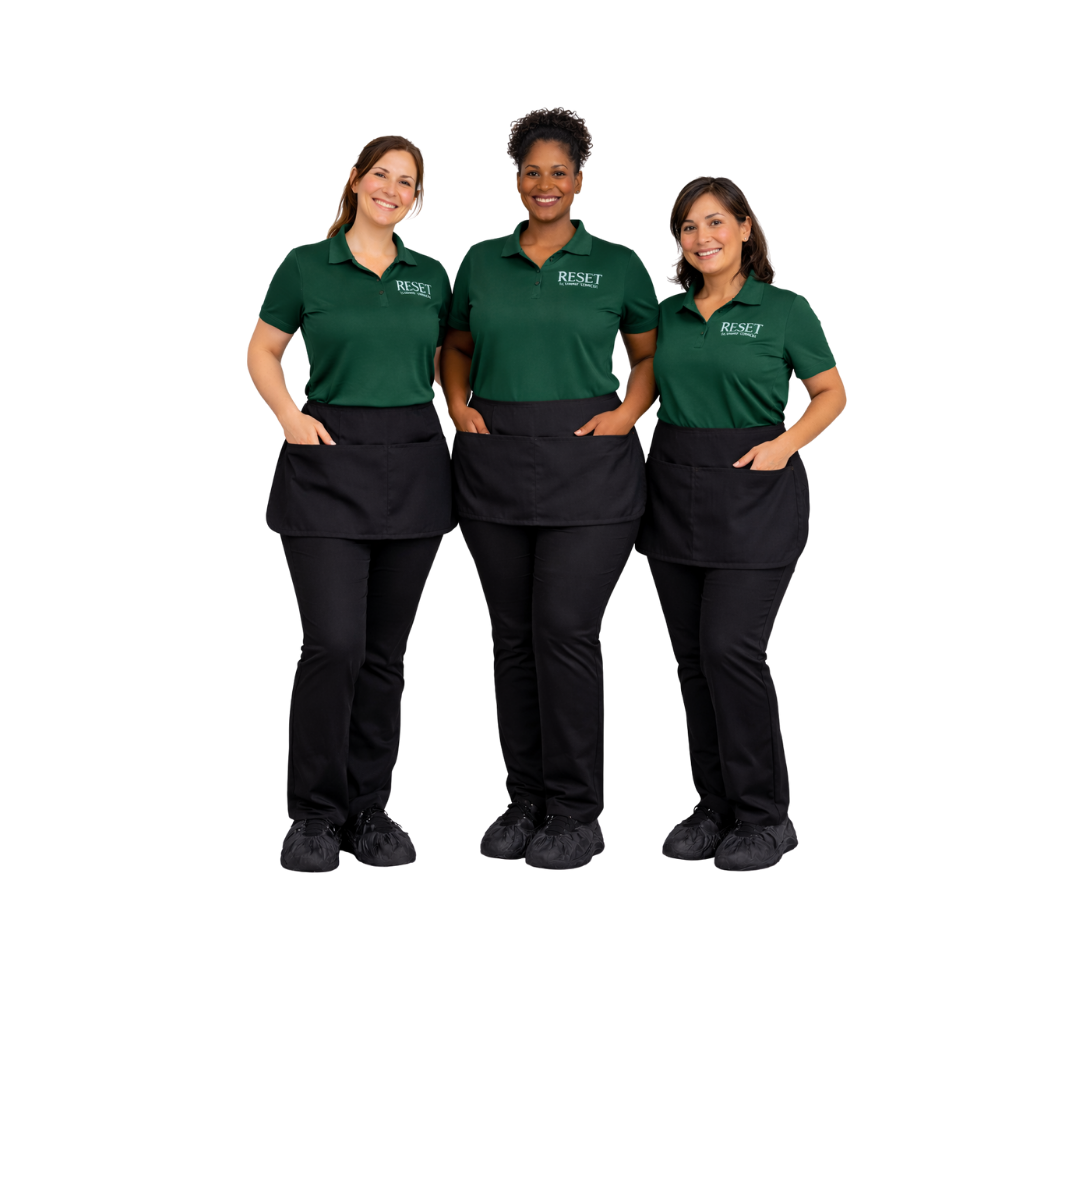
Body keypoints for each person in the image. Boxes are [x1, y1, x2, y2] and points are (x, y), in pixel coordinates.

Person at [440, 108, 659, 871]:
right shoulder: (479, 261)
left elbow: (646, 354)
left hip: (589, 473)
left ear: (579, 179)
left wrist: (628, 413)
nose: (544, 184)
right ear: (515, 176)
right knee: (510, 639)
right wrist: (459, 404)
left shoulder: (618, 264)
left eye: (558, 172)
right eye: (531, 171)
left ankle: (576, 811)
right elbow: (457, 344)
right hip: (492, 466)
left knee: (563, 630)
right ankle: (525, 798)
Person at [247, 135, 453, 873]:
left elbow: (446, 363)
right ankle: (312, 816)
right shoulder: (306, 264)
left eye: (408, 183)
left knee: (382, 655)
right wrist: (290, 415)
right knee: (332, 644)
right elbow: (261, 349)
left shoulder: (431, 278)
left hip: (413, 469)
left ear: (417, 202)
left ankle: (370, 810)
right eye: (382, 176)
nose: (393, 190)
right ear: (355, 181)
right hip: (327, 463)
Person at [636, 176, 847, 872]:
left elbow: (830, 393)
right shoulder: (665, 314)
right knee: (694, 663)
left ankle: (766, 817)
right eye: (689, 227)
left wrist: (784, 446)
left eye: (716, 223)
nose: (703, 238)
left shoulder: (783, 308)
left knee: (731, 650)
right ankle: (713, 807)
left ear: (745, 230)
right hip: (672, 495)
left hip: (754, 498)